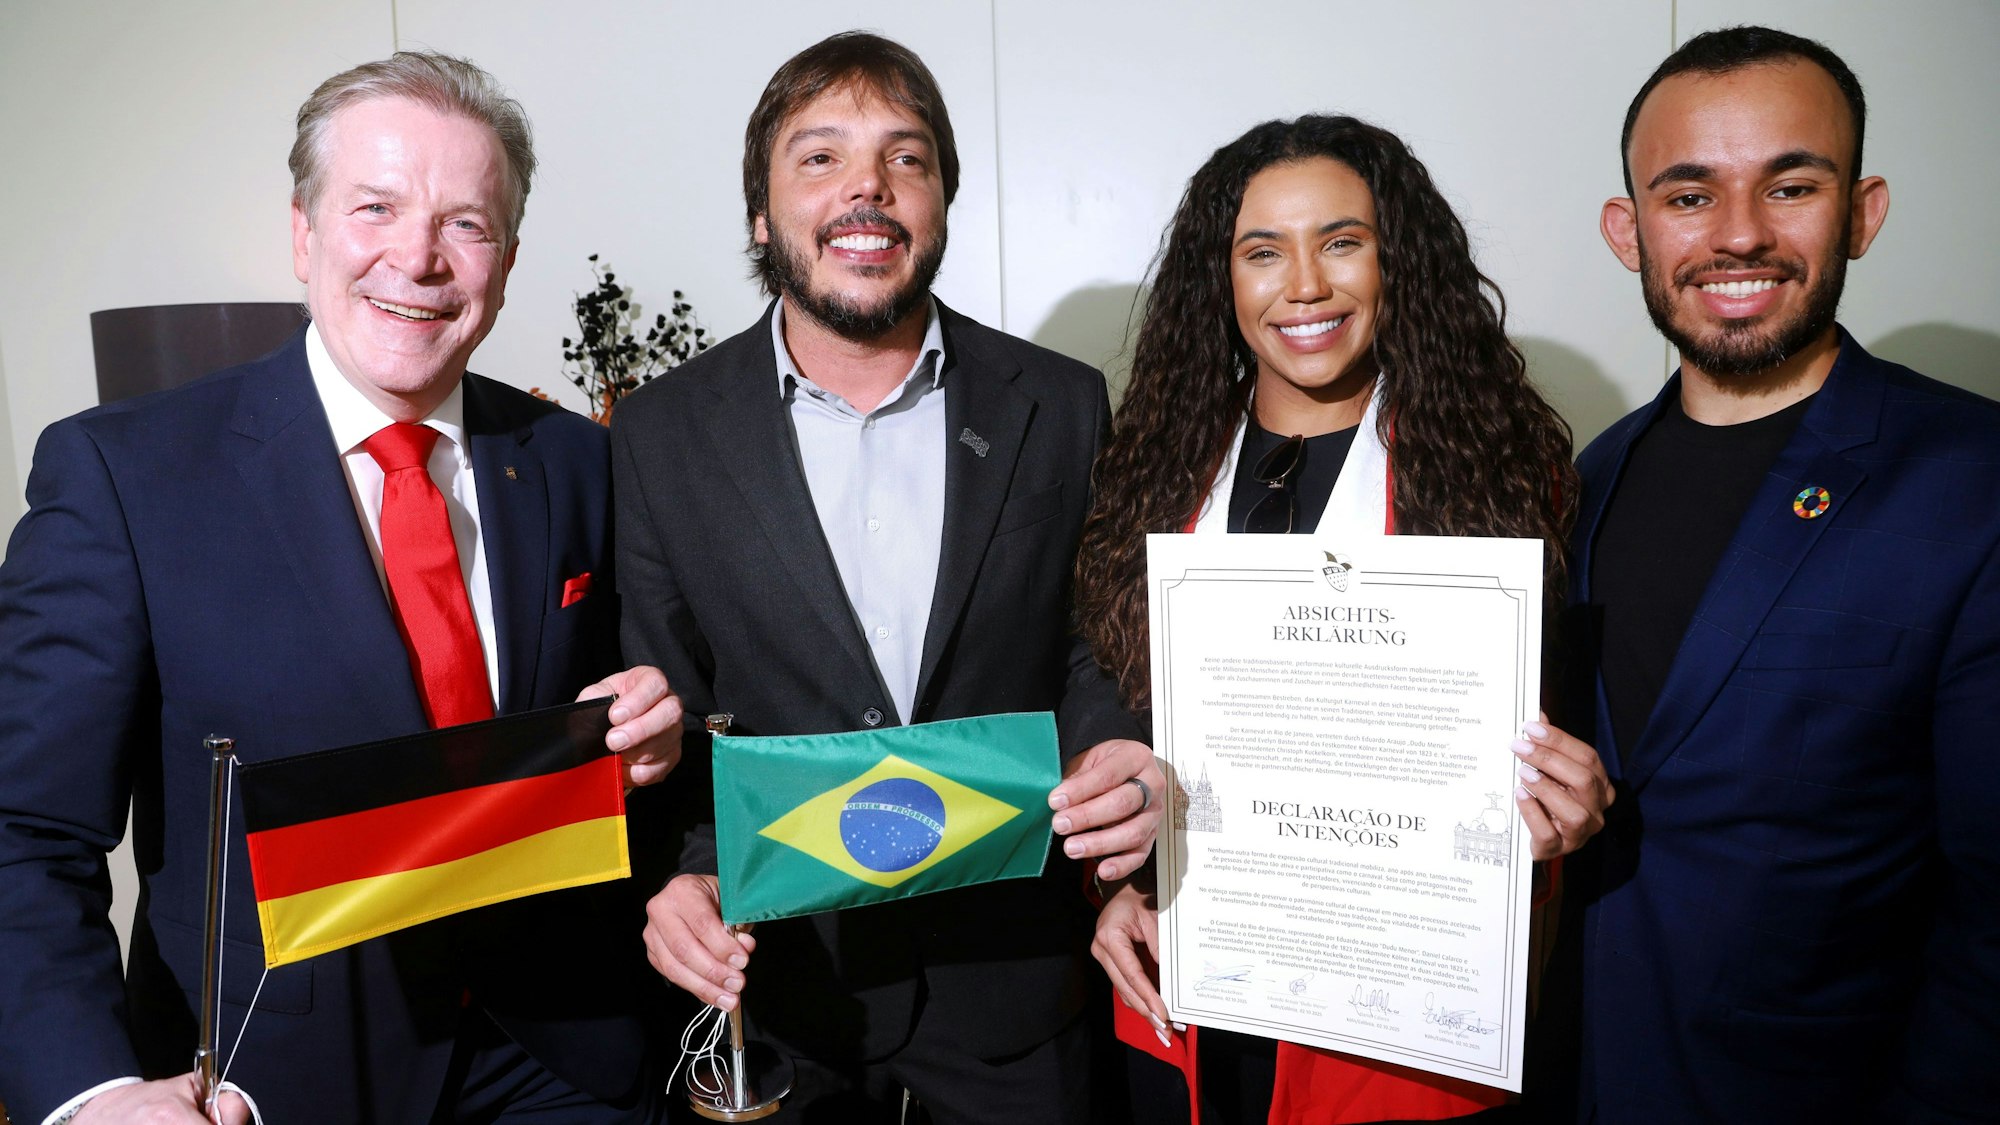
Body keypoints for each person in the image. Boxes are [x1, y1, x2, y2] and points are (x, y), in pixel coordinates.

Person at [0, 52, 685, 1124]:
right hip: (266, 1081)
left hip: (564, 1061)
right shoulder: (124, 476)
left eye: (465, 222)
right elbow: (25, 832)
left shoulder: (572, 459)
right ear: (303, 230)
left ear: (505, 258)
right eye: (375, 207)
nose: (416, 258)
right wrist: (93, 1095)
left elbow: (601, 736)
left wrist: (647, 741)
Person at [614, 30, 1161, 1124]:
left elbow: (1085, 648)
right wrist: (680, 876)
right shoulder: (659, 431)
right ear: (761, 216)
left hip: (1013, 988)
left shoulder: (1059, 406)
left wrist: (1117, 758)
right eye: (818, 157)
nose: (866, 185)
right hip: (776, 993)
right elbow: (659, 701)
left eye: (904, 159)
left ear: (942, 202)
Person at [1075, 115, 1614, 1124]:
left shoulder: (1495, 475)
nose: (1305, 284)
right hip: (1188, 982)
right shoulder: (1152, 476)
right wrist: (1111, 890)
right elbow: (1116, 722)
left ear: (1394, 262)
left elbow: (1538, 758)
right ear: (1219, 281)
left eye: (1340, 241)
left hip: (1398, 1019)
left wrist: (1566, 809)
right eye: (1261, 251)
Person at [1563, 24, 2000, 1122]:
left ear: (1861, 211)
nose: (1739, 236)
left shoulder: (1971, 481)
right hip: (1575, 1074)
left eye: (1790, 185)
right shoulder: (1581, 479)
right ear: (1628, 230)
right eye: (1688, 196)